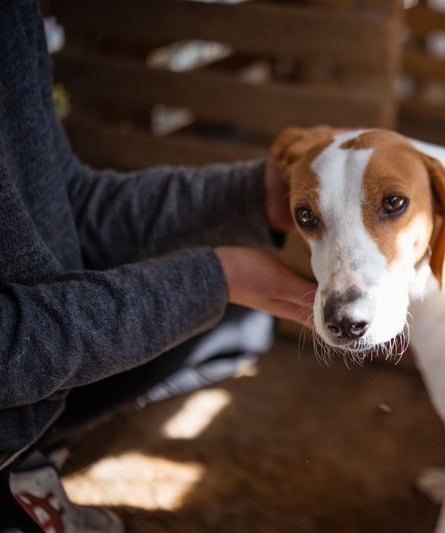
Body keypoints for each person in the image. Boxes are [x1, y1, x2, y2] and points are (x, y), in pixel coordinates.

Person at [0, 2, 317, 531]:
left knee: (241, 322)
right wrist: (214, 279)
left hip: (38, 365)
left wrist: (251, 197)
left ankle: (26, 457)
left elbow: (70, 205)